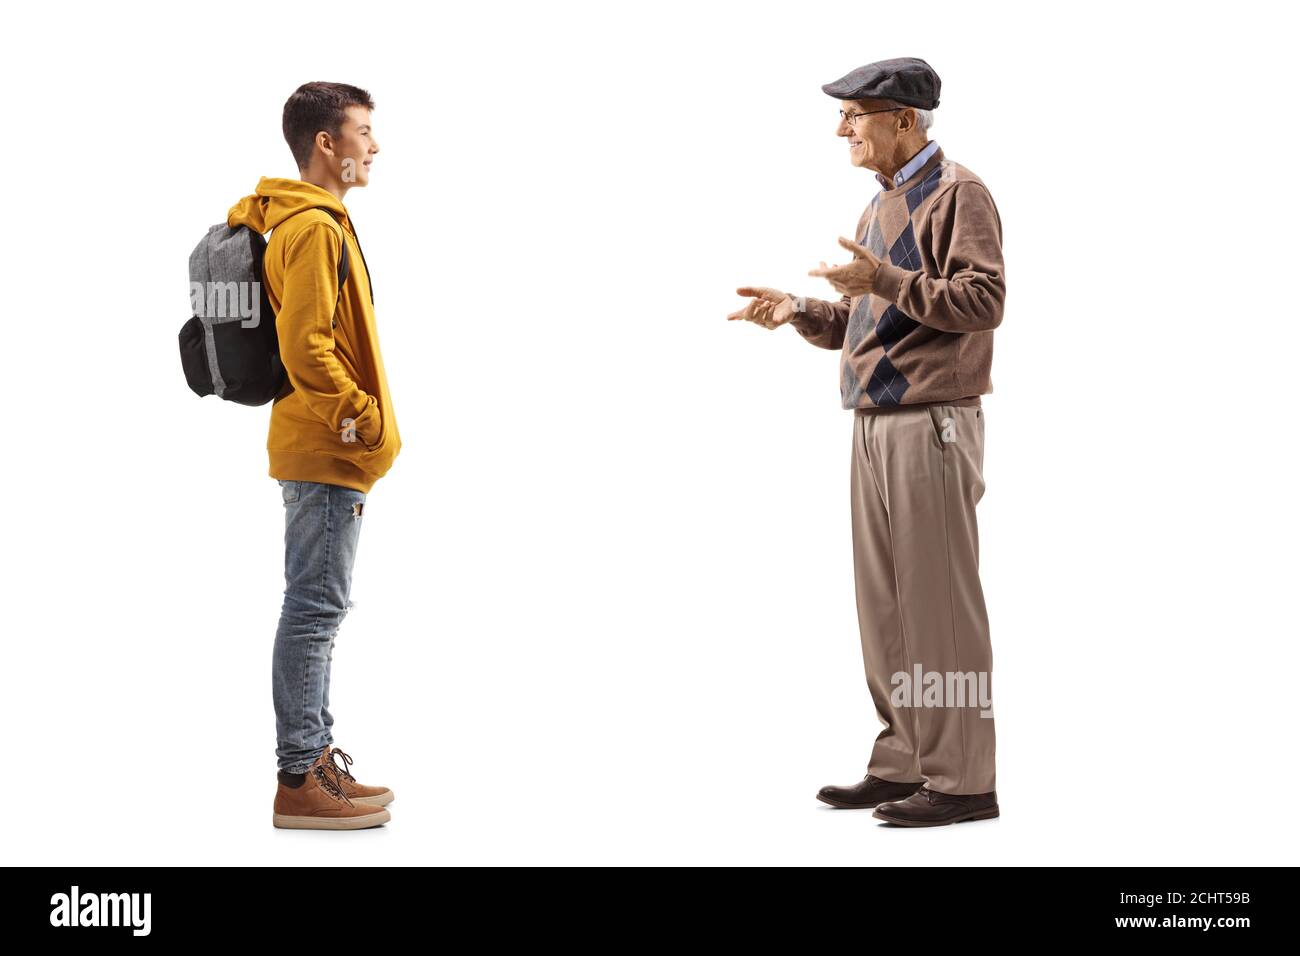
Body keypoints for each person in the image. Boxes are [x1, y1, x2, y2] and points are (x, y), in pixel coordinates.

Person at [728, 57, 1005, 827]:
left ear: (906, 120)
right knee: (887, 607)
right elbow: (875, 320)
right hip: (875, 424)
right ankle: (908, 760)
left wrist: (880, 281)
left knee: (940, 606)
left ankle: (962, 781)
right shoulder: (879, 208)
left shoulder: (961, 194)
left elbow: (983, 300)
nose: (842, 128)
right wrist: (803, 311)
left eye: (856, 113)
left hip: (933, 423)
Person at [227, 81, 402, 829]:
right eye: (362, 131)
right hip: (325, 447)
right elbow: (306, 347)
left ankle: (317, 758)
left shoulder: (309, 222)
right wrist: (359, 418)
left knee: (317, 608)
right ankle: (299, 776)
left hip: (319, 446)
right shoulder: (315, 228)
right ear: (326, 144)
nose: (373, 146)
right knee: (314, 610)